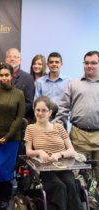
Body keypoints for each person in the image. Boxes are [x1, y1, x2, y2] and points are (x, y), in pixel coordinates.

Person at [25, 96, 82, 210]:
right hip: (44, 168)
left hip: (62, 166)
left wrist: (58, 154)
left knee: (71, 185)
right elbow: (28, 152)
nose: (40, 113)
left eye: (44, 110)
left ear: (50, 112)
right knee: (59, 186)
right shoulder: (30, 128)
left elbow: (71, 150)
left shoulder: (59, 127)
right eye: (38, 110)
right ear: (34, 110)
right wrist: (40, 151)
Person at [54, 51, 99, 185]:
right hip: (79, 135)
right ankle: (85, 204)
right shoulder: (74, 84)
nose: (89, 65)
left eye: (94, 63)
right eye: (86, 63)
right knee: (79, 175)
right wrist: (54, 129)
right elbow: (63, 109)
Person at [0, 63, 25, 210]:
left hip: (11, 139)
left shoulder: (19, 94)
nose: (4, 78)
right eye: (1, 75)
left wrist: (7, 136)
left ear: (12, 75)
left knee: (7, 170)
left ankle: (4, 200)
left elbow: (19, 118)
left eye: (6, 75)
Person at [34, 52, 70, 119]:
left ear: (61, 64)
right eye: (51, 62)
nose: (54, 64)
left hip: (61, 119)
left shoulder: (68, 82)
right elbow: (36, 102)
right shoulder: (39, 82)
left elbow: (70, 103)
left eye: (57, 62)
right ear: (47, 64)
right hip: (44, 118)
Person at [5, 48, 34, 121]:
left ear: (20, 60)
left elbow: (29, 102)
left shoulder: (28, 78)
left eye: (15, 57)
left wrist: (16, 115)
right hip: (0, 120)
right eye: (9, 56)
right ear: (5, 59)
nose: (12, 59)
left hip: (20, 120)